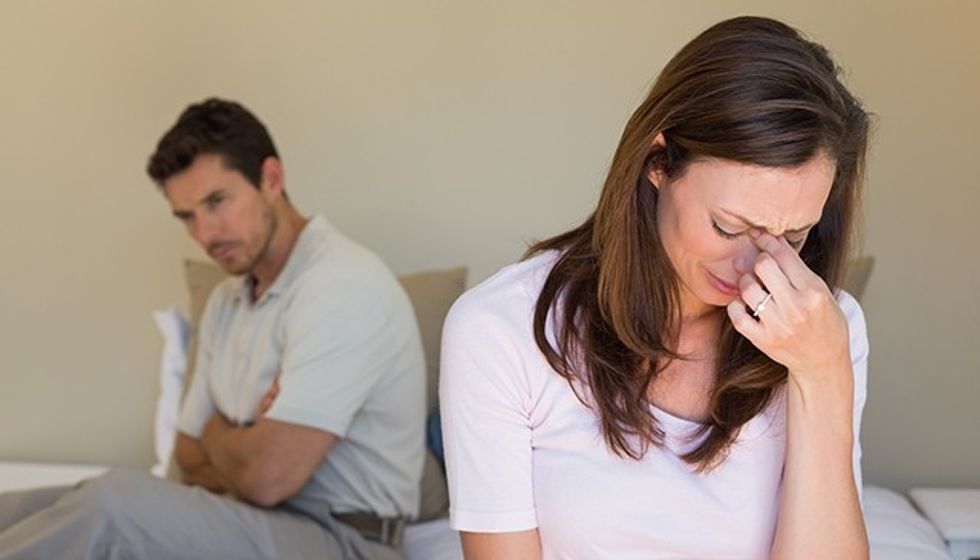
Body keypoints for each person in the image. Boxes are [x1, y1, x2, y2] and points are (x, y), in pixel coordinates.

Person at [440, 16, 872, 559]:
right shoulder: (501, 330)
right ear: (658, 162)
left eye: (793, 234)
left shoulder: (826, 329)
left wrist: (823, 374)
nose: (755, 263)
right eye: (728, 226)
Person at [0, 98, 426, 559]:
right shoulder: (226, 301)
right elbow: (187, 453)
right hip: (245, 517)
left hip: (343, 540)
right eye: (187, 216)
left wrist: (219, 434)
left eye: (216, 202)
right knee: (36, 505)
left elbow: (267, 477)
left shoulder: (341, 285)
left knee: (113, 505)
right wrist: (248, 444)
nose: (205, 233)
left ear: (271, 179)